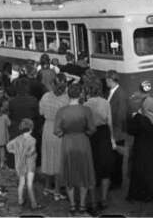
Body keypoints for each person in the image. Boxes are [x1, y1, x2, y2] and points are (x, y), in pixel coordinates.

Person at [54, 83, 96, 216]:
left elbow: (56, 131)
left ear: (68, 94)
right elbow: (92, 129)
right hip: (83, 142)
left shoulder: (62, 111)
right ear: (80, 94)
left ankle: (72, 205)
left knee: (69, 173)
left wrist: (65, 134)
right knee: (84, 173)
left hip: (68, 142)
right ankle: (82, 205)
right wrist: (85, 134)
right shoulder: (86, 110)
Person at [84, 79, 115, 212]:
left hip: (90, 135)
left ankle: (92, 201)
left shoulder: (85, 104)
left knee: (91, 168)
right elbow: (110, 122)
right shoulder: (106, 102)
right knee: (105, 168)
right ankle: (104, 199)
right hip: (104, 134)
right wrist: (112, 138)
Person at [38, 73, 69, 201]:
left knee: (47, 157)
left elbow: (41, 112)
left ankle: (46, 187)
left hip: (47, 128)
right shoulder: (66, 99)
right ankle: (57, 190)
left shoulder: (45, 97)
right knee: (58, 159)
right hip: (59, 130)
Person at [7, 77, 40, 170]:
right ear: (27, 88)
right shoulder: (33, 100)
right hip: (29, 129)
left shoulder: (12, 101)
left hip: (16, 129)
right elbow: (37, 115)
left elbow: (11, 115)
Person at [7, 118, 40, 209]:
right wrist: (33, 154)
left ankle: (20, 200)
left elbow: (8, 147)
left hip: (20, 165)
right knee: (29, 184)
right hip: (29, 165)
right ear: (31, 128)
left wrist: (15, 152)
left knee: (21, 183)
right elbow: (31, 152)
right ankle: (34, 203)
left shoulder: (17, 139)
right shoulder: (32, 140)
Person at [105, 70, 129, 189]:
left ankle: (117, 182)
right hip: (115, 130)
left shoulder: (120, 94)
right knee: (114, 157)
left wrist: (109, 122)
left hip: (117, 131)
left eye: (106, 80)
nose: (105, 82)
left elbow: (121, 115)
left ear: (110, 80)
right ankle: (115, 180)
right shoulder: (113, 91)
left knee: (117, 158)